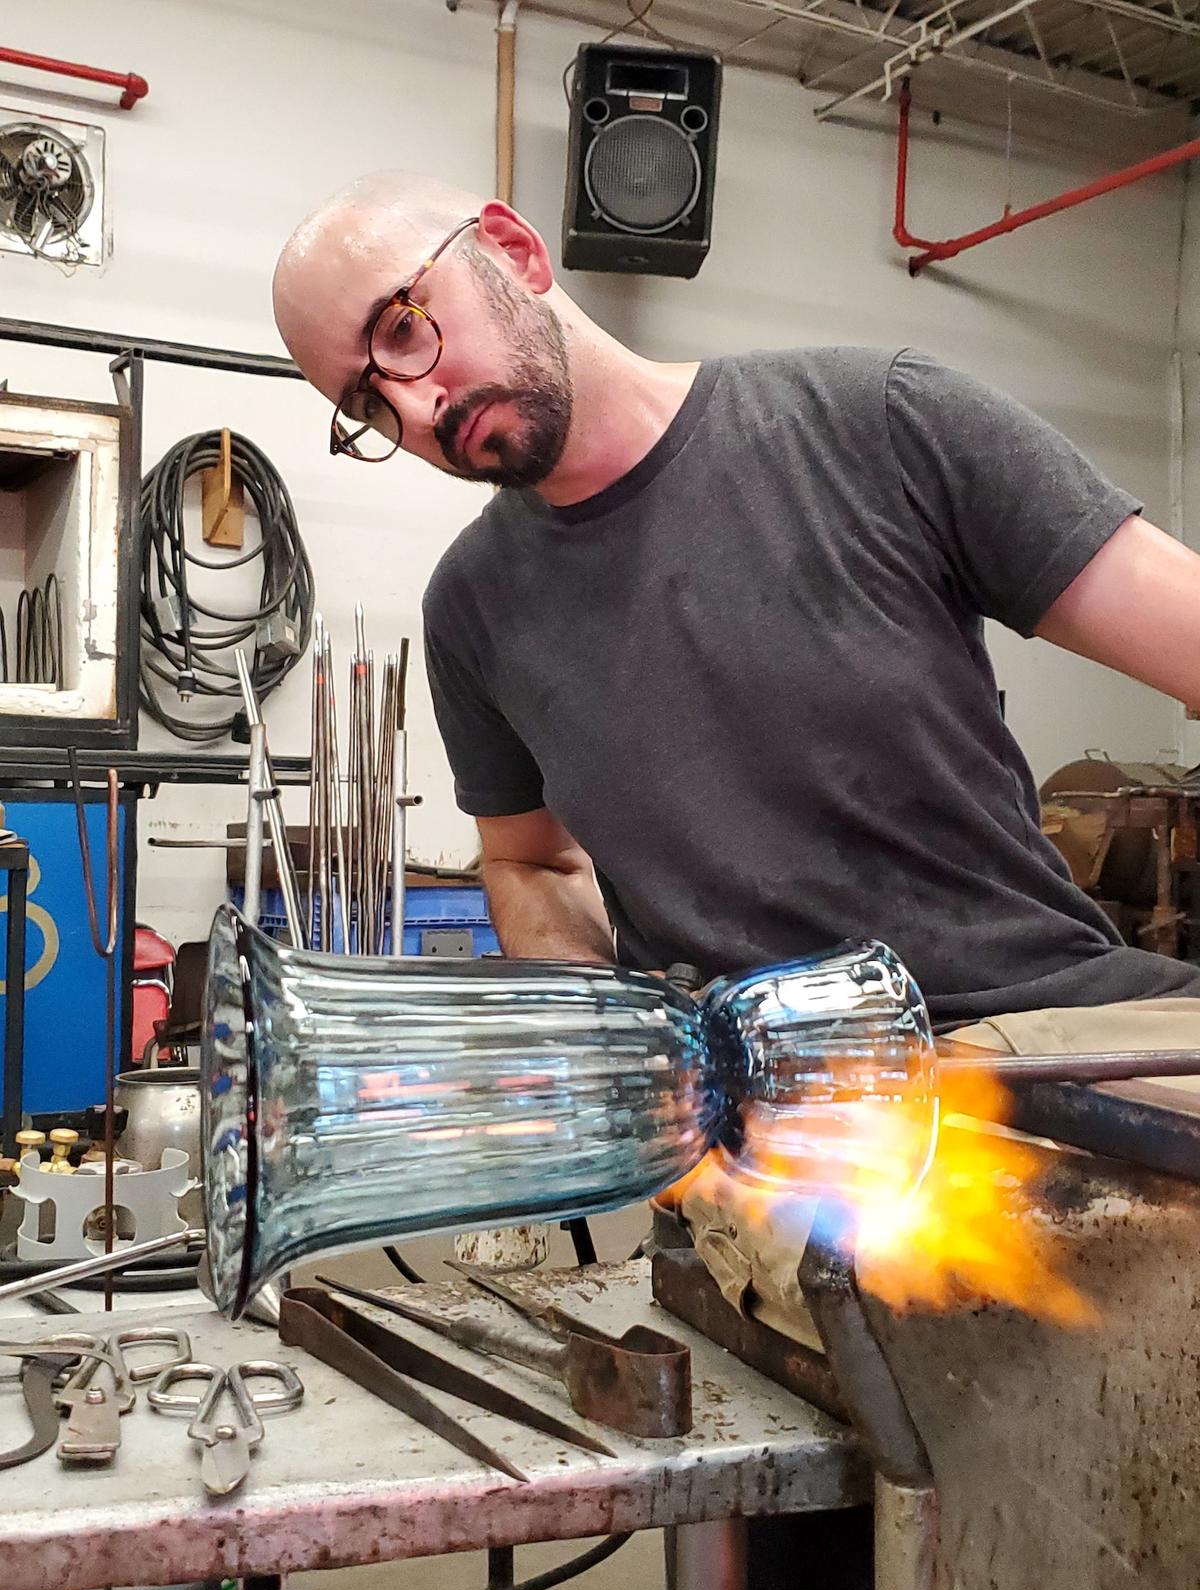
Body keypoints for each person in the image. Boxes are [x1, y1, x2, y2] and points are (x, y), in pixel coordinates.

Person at [272, 171, 1200, 1032]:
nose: (416, 406)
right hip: (769, 1124)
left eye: (402, 328)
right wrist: (620, 1054)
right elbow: (531, 858)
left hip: (1043, 1038)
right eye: (369, 405)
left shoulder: (880, 423)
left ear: (515, 250)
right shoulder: (472, 607)